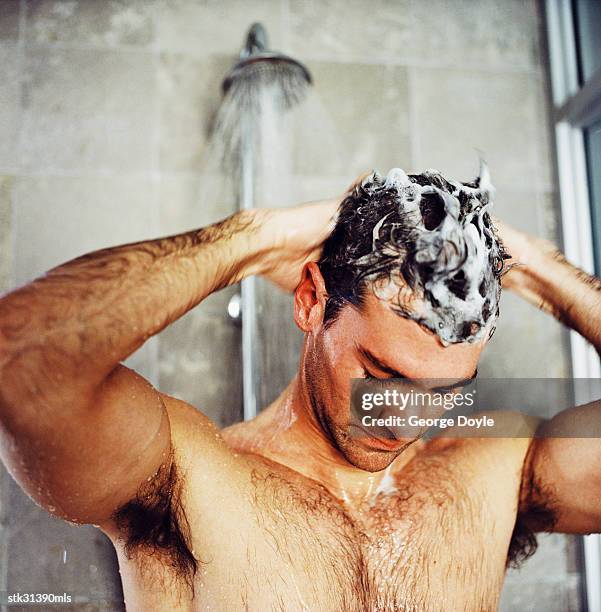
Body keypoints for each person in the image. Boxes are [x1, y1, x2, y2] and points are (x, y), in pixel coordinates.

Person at [0, 167, 599, 611]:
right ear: (312, 301)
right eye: (384, 375)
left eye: (446, 391)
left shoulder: (492, 473)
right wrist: (253, 239)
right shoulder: (189, 481)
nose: (405, 421)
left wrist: (539, 268)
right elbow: (19, 365)